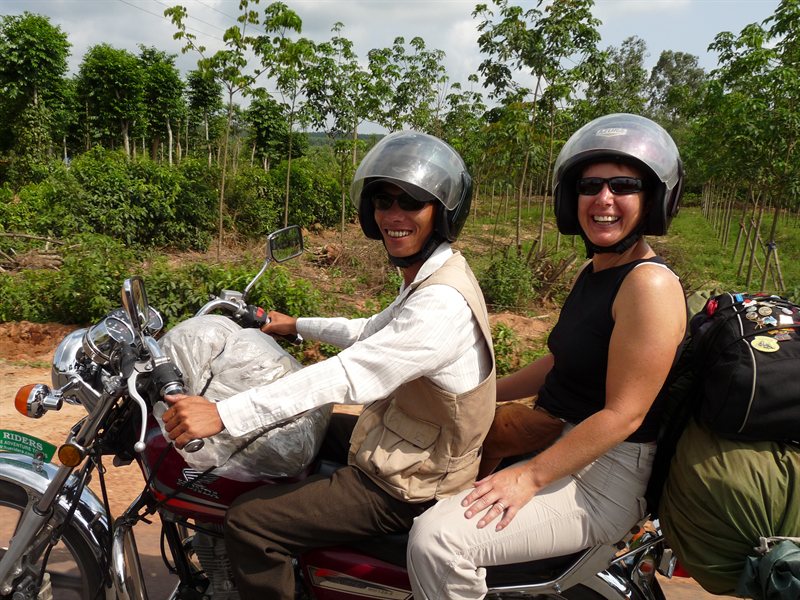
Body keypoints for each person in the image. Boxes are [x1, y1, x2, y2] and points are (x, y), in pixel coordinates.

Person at [161, 131, 497, 599]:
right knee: (299, 430)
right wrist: (292, 323)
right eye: (384, 200)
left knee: (251, 523)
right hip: (409, 441)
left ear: (441, 213)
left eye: (412, 202)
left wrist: (223, 414)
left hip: (409, 485)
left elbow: (350, 372)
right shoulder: (434, 277)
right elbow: (368, 332)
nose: (394, 215)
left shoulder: (441, 304)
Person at [406, 113, 688, 599]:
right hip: (560, 437)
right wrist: (480, 391)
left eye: (624, 185)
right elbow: (559, 362)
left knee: (436, 542)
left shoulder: (649, 285)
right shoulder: (594, 271)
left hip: (603, 477)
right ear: (569, 198)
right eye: (590, 185)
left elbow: (625, 414)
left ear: (653, 201)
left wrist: (529, 476)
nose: (604, 199)